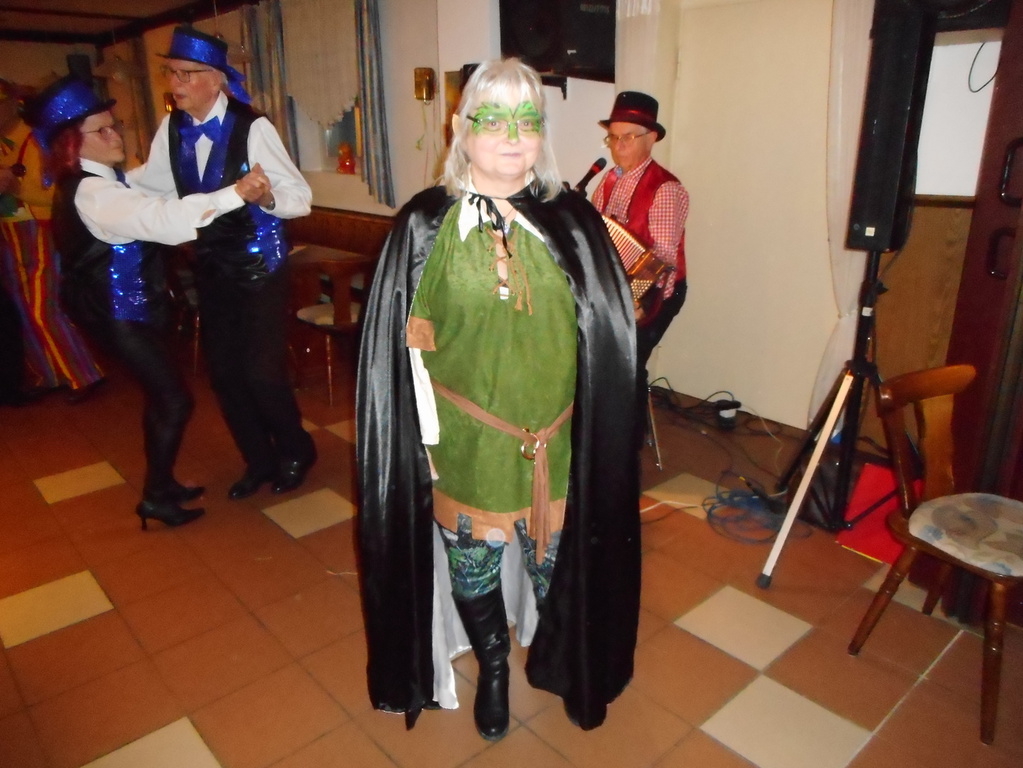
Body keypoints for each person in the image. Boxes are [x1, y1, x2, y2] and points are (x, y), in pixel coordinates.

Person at [357, 58, 641, 741]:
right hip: (466, 447)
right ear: (461, 128)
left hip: (560, 445)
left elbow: (610, 339)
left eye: (527, 120)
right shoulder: (424, 226)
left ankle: (564, 660)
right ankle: (491, 667)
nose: (513, 137)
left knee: (560, 570)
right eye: (494, 119)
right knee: (473, 567)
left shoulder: (575, 221)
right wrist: (418, 444)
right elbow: (401, 354)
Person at [24, 75, 270, 529]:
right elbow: (163, 219)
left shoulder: (108, 181)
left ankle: (163, 485)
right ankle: (156, 496)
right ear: (72, 143)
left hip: (127, 306)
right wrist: (235, 193)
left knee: (166, 398)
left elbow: (155, 189)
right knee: (174, 400)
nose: (115, 135)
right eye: (101, 130)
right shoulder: (94, 192)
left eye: (113, 125)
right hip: (114, 313)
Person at [129, 26, 316, 500]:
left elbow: (300, 197)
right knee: (225, 373)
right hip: (211, 265)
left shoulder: (253, 127)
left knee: (262, 372)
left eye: (186, 74)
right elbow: (152, 184)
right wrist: (100, 185)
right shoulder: (171, 128)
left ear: (216, 79)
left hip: (260, 264)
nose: (175, 83)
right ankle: (258, 460)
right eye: (172, 73)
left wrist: (266, 196)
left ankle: (297, 449)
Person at [0, 77, 106, 403]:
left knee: (41, 306)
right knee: (22, 309)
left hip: (39, 229)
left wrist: (15, 187)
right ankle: (49, 373)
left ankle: (82, 373)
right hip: (9, 232)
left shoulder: (37, 140)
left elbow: (60, 192)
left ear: (11, 104)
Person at [591, 90, 689, 369]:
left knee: (628, 365)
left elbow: (662, 258)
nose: (618, 146)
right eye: (613, 137)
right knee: (604, 363)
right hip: (617, 287)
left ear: (651, 137)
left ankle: (633, 399)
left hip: (656, 291)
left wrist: (639, 301)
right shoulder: (608, 180)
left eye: (628, 137)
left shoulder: (665, 188)